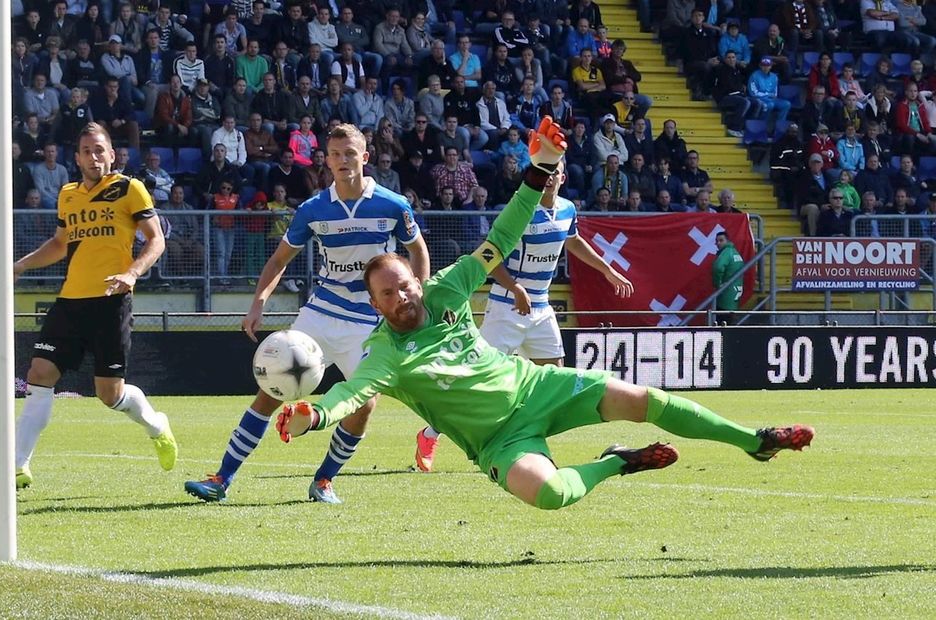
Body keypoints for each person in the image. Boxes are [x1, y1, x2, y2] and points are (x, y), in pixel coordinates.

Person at [275, 117, 815, 511]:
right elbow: (351, 394)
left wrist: (536, 172)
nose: (402, 298)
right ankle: (616, 461)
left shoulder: (447, 288)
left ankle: (756, 441)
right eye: (388, 295)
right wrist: (314, 415)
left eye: (406, 286)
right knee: (551, 495)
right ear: (375, 305)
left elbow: (502, 237)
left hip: (535, 387)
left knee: (643, 398)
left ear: (419, 281)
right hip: (500, 442)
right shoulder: (383, 354)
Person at [184, 123, 431, 504]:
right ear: (326, 161)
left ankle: (324, 481)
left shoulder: (394, 205)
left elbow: (418, 251)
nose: (343, 161)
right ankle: (222, 478)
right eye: (335, 155)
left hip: (367, 323)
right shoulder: (313, 210)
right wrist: (258, 302)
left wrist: (418, 296)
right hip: (320, 314)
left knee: (365, 403)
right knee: (270, 389)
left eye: (350, 153)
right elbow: (280, 258)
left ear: (365, 157)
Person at [415, 157, 631, 471]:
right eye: (545, 173)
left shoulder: (568, 209)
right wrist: (515, 287)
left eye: (555, 173)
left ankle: (528, 442)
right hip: (506, 305)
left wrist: (607, 270)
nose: (549, 179)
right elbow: (491, 255)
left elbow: (573, 240)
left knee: (556, 378)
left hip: (541, 308)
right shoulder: (521, 212)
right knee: (475, 382)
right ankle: (430, 434)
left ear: (563, 176)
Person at [12, 123, 177, 489]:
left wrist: (133, 273)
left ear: (112, 154)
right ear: (77, 158)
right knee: (39, 374)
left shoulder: (129, 189)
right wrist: (21, 264)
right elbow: (60, 244)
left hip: (110, 303)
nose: (94, 157)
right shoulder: (68, 194)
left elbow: (156, 240)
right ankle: (17, 466)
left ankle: (156, 425)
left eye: (100, 150)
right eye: (86, 151)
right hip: (70, 301)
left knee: (110, 395)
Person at [711, 230, 744, 325]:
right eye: (716, 241)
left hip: (726, 294)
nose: (718, 243)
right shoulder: (735, 253)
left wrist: (718, 284)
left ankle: (722, 339)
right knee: (730, 320)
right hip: (736, 292)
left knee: (721, 322)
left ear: (727, 241)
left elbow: (717, 267)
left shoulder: (726, 253)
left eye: (721, 240)